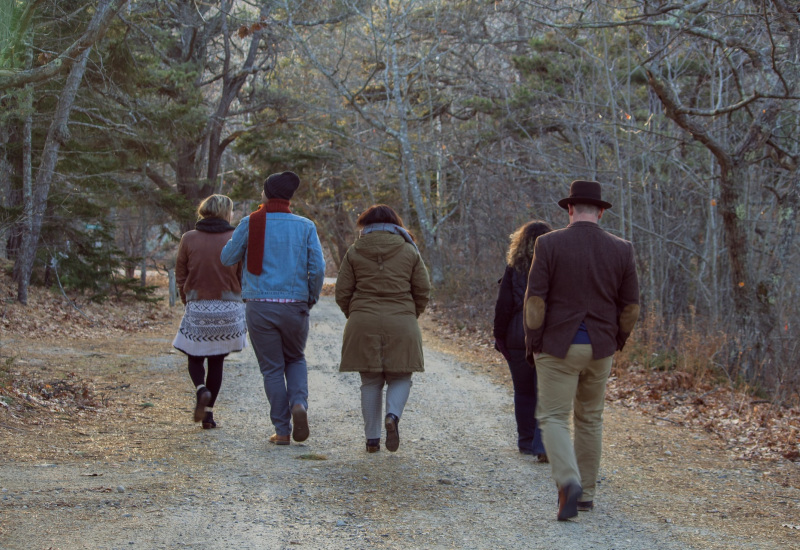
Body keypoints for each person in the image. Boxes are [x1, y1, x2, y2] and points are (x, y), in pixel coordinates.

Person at [524, 180, 639, 521]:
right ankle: (586, 495)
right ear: (601, 211)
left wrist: (534, 344)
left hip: (558, 346)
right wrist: (615, 341)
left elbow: (534, 302)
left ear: (570, 209)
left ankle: (569, 481)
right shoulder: (622, 249)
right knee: (590, 419)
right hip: (601, 347)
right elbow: (630, 308)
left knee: (553, 417)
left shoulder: (548, 244)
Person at [220, 171, 325, 446]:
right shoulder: (305, 226)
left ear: (267, 194)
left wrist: (243, 237)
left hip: (260, 305)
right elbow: (318, 268)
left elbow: (227, 257)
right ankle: (299, 403)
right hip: (295, 306)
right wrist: (310, 297)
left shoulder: (251, 222)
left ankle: (282, 430)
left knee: (272, 369)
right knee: (296, 358)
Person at [335, 205, 431, 453]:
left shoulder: (355, 251)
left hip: (362, 321)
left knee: (370, 381)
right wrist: (410, 314)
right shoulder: (409, 250)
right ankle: (392, 417)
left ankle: (372, 440)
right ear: (395, 223)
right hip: (402, 321)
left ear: (365, 225)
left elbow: (342, 292)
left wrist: (355, 314)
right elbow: (423, 290)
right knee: (401, 375)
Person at [172, 194, 247, 429]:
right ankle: (209, 415)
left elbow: (180, 274)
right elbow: (243, 274)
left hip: (198, 304)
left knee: (194, 355)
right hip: (229, 308)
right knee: (217, 362)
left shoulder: (189, 238)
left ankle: (200, 389)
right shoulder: (235, 237)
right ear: (226, 213)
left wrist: (188, 300)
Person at [493, 220, 552, 461]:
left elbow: (503, 307)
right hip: (547, 336)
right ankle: (542, 443)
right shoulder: (554, 267)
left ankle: (525, 441)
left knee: (523, 391)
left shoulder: (513, 268)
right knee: (545, 391)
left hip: (517, 336)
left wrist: (499, 337)